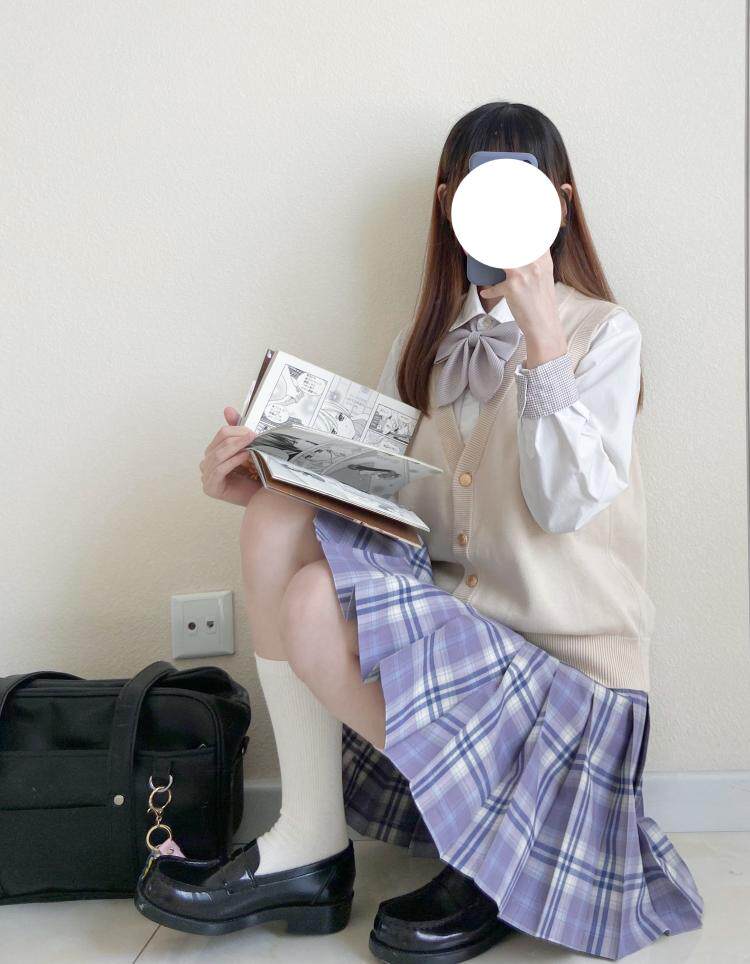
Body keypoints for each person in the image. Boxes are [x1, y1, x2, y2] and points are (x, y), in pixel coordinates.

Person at [135, 102, 703, 962]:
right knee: (287, 523)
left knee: (319, 577)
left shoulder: (603, 333)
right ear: (449, 203)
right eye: (479, 186)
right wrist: (256, 485)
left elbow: (563, 506)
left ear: (558, 201)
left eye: (520, 187)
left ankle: (489, 853)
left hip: (564, 681)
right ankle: (310, 844)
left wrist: (542, 335)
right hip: (460, 657)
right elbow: (382, 514)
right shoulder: (423, 343)